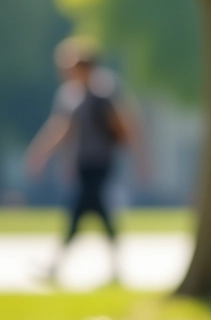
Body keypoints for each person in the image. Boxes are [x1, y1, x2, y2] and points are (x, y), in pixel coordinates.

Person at [24, 37, 140, 285]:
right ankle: (116, 268)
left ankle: (56, 266)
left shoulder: (104, 91)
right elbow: (62, 129)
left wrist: (138, 157)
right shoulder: (69, 95)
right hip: (83, 162)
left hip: (100, 162)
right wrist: (41, 152)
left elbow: (122, 125)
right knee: (98, 211)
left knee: (77, 210)